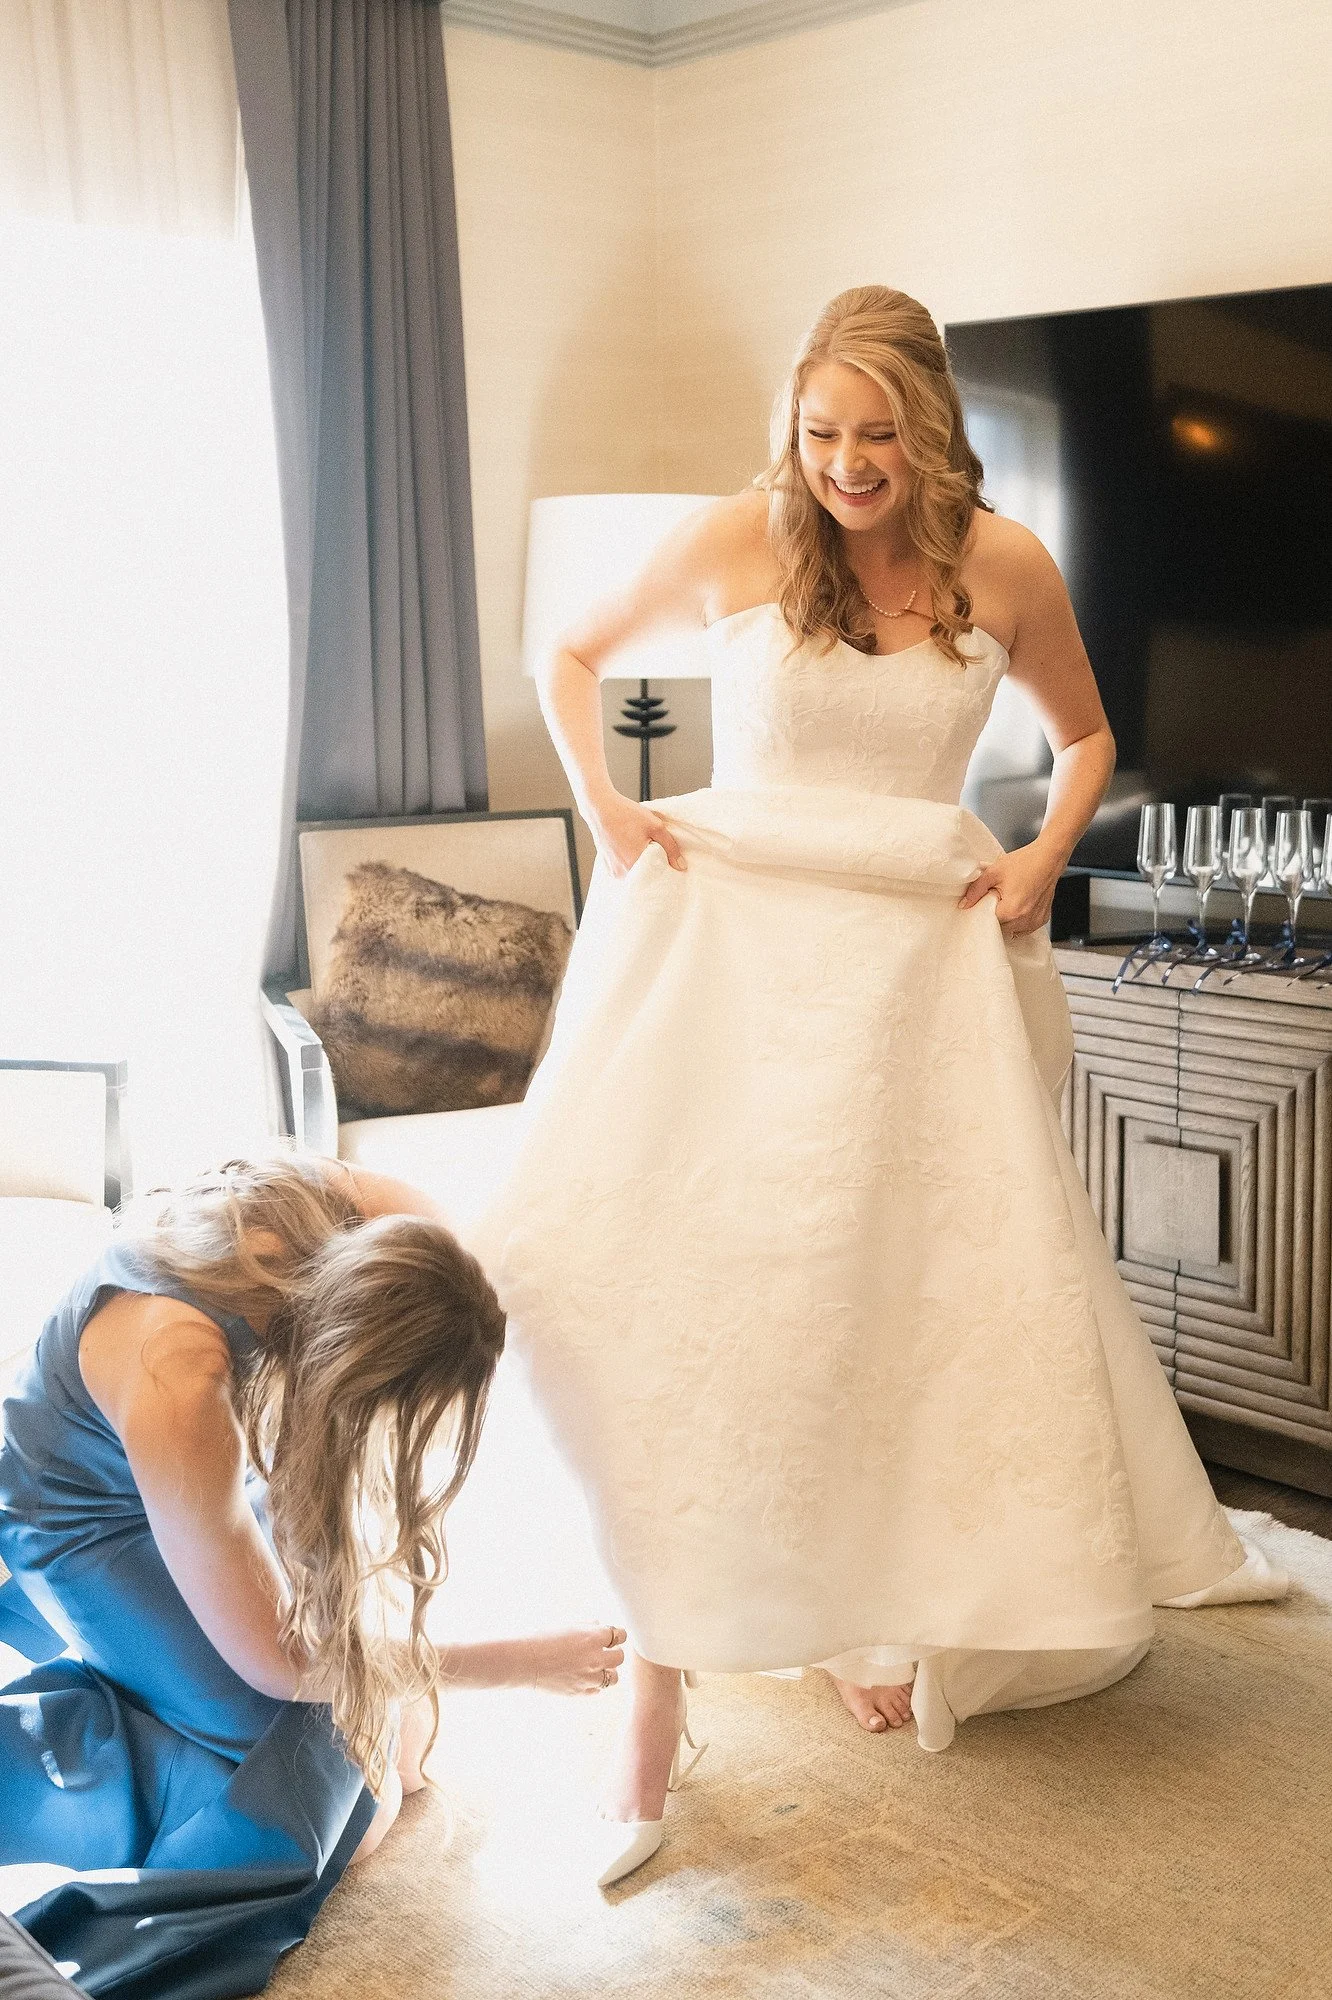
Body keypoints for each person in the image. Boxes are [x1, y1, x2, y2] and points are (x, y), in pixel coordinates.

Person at [472, 284, 1287, 1889]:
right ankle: (672, 1669)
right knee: (668, 1289)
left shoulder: (1006, 565)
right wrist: (608, 814)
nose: (845, 464)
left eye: (876, 436)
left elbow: (1086, 738)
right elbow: (565, 654)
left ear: (934, 433)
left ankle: (858, 1597)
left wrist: (1049, 855)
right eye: (820, 432)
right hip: (733, 964)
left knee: (889, 1303)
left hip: (914, 980)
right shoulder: (736, 538)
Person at [0, 1154, 626, 1997]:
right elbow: (285, 1664)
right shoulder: (181, 1378)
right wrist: (514, 1665)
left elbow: (292, 1502)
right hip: (82, 1515)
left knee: (378, 1751)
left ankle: (158, 1704)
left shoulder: (379, 1220)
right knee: (335, 1785)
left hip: (194, 1466)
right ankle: (49, 1768)